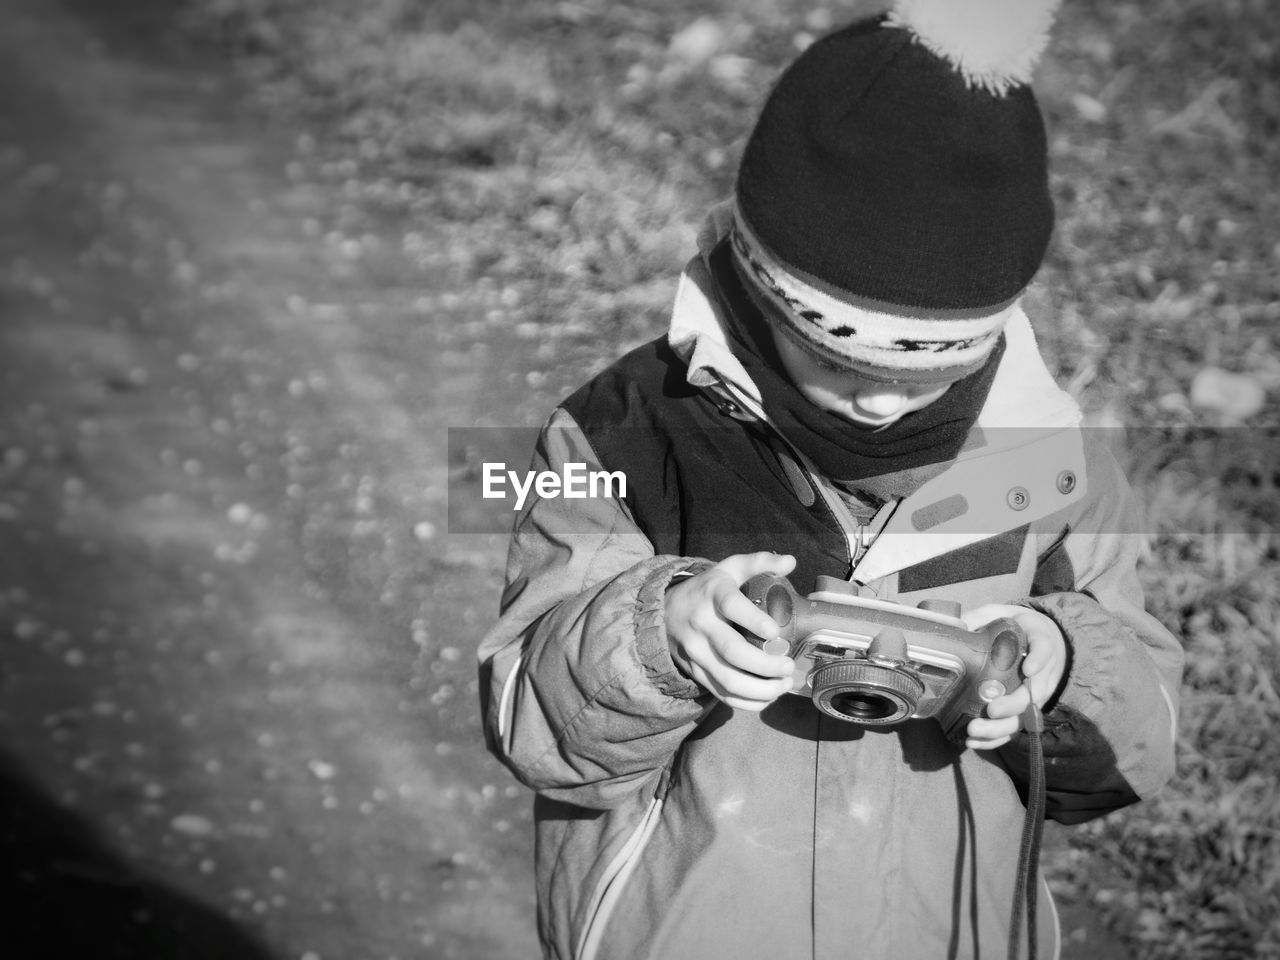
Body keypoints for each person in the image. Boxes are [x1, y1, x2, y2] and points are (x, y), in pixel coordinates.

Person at [478, 2, 1183, 958]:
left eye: (932, 367)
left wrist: (1057, 671)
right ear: (771, 295)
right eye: (841, 362)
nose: (883, 406)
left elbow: (1138, 747)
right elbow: (528, 716)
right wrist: (662, 636)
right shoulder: (618, 434)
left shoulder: (1053, 463)